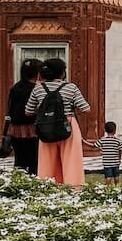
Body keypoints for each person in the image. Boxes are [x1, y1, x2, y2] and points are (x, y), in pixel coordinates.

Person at [25, 57, 90, 187]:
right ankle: (74, 188)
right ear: (62, 73)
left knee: (47, 160)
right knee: (71, 159)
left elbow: (28, 111)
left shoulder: (38, 88)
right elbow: (86, 108)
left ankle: (47, 187)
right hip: (68, 125)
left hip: (45, 127)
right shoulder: (71, 87)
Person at [5, 57, 43, 174]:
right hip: (32, 127)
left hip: (16, 128)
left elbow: (10, 108)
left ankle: (19, 181)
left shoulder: (15, 87)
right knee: (34, 158)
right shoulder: (37, 89)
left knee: (19, 159)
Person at [86, 120, 122, 187]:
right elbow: (120, 150)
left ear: (105, 130)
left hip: (107, 162)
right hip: (116, 162)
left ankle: (107, 187)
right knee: (116, 176)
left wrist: (84, 141)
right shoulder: (118, 141)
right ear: (115, 130)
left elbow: (93, 145)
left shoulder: (103, 140)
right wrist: (119, 159)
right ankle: (117, 186)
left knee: (108, 176)